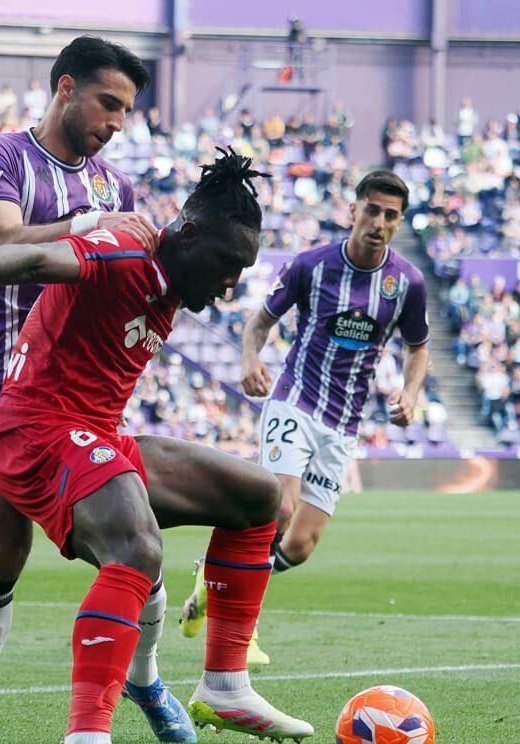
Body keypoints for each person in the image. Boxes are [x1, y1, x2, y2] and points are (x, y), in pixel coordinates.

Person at [0, 149, 313, 744]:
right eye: (229, 264)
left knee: (262, 497)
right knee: (134, 546)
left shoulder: (174, 279)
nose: (232, 284)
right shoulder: (127, 250)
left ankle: (225, 684)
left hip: (93, 432)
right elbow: (43, 259)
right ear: (187, 234)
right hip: (35, 434)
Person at [0, 36, 179, 744]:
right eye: (108, 103)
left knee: (132, 537)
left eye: (127, 111)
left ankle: (145, 676)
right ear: (65, 88)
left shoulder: (117, 187)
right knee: (2, 544)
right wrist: (85, 227)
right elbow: (0, 238)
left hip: (73, 395)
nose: (116, 122)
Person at [179, 170, 430, 664]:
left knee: (302, 543)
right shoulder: (311, 266)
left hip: (343, 423)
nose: (379, 222)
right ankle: (241, 626)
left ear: (399, 223)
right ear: (354, 209)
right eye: (373, 210)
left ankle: (213, 587)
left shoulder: (407, 283)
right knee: (280, 509)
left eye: (391, 216)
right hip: (295, 399)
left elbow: (417, 348)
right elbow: (260, 322)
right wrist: (250, 360)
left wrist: (410, 391)